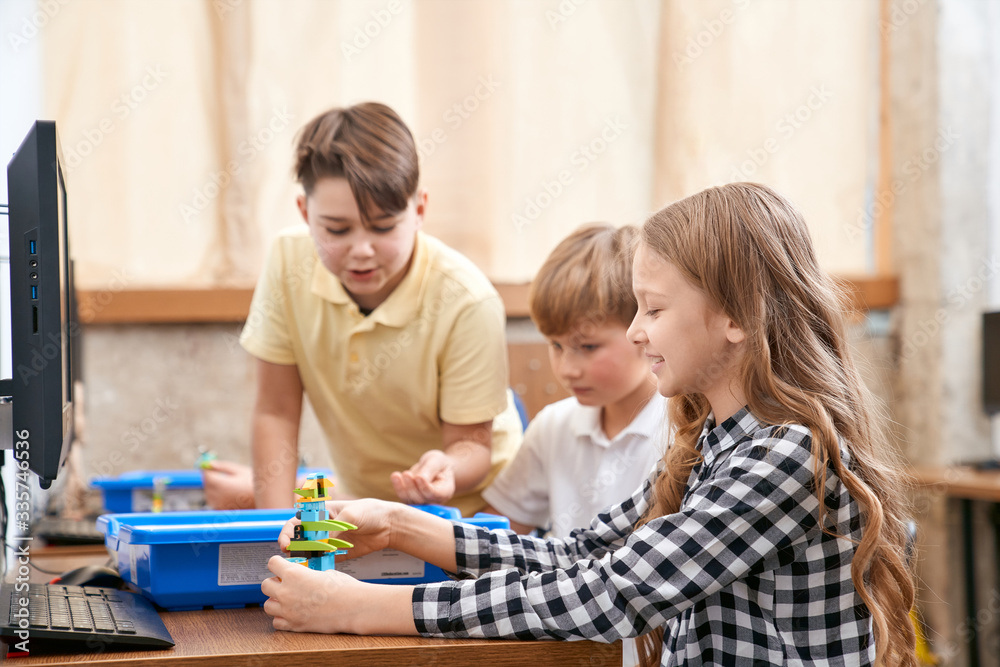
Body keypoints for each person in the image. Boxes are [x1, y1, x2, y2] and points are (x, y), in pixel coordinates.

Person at [262, 183, 916, 666]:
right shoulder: (715, 441)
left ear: (735, 318)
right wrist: (400, 525)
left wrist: (358, 609)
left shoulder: (783, 456)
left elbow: (612, 592)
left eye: (653, 309)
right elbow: (581, 550)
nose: (636, 330)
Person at [204, 102, 522, 515]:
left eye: (383, 227)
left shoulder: (466, 300)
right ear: (305, 213)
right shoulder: (288, 261)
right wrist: (275, 530)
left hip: (481, 508)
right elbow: (276, 411)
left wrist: (447, 468)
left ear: (419, 210)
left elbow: (472, 448)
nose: (362, 251)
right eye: (337, 229)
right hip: (366, 504)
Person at [482, 224, 663, 537]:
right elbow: (495, 531)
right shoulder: (553, 426)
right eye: (556, 345)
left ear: (642, 326)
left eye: (588, 347)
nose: (567, 369)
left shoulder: (684, 431)